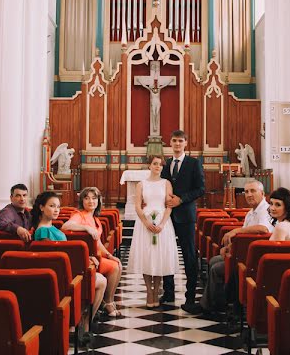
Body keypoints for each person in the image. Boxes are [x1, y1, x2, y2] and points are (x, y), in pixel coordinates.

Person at [31, 191, 105, 344]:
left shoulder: (50, 227)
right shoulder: (43, 231)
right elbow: (53, 257)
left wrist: (88, 257)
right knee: (101, 281)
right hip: (62, 275)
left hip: (66, 270)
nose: (56, 210)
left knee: (100, 280)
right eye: (52, 206)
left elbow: (64, 252)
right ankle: (81, 323)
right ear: (41, 208)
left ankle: (82, 321)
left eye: (58, 206)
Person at [200, 179, 272, 313]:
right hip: (244, 254)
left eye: (253, 191)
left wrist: (235, 230)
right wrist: (229, 247)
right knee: (214, 260)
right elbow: (243, 238)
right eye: (246, 192)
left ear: (262, 193)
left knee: (217, 268)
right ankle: (215, 302)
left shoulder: (266, 210)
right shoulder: (251, 212)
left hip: (254, 259)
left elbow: (263, 229)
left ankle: (213, 307)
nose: (249, 194)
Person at [126, 154, 180, 308]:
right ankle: (149, 291)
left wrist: (162, 224)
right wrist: (145, 222)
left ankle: (156, 290)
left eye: (161, 164)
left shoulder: (166, 183)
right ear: (149, 165)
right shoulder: (141, 184)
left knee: (159, 257)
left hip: (163, 223)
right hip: (145, 223)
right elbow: (137, 205)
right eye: (155, 164)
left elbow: (169, 205)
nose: (158, 167)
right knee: (147, 256)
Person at [161, 129, 206, 313]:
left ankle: (190, 296)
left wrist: (181, 199)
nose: (177, 144)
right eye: (174, 141)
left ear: (186, 143)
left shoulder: (194, 163)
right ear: (170, 143)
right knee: (166, 252)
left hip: (185, 216)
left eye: (180, 141)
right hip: (167, 215)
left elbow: (201, 189)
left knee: (188, 255)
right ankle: (168, 292)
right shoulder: (167, 164)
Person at [62, 187, 123, 317]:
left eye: (94, 198)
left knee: (117, 263)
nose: (91, 201)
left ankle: (108, 301)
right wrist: (85, 228)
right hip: (86, 259)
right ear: (82, 201)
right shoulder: (79, 215)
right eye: (87, 198)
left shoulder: (95, 219)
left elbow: (98, 243)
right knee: (115, 267)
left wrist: (109, 255)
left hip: (97, 255)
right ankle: (108, 303)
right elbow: (65, 226)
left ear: (98, 201)